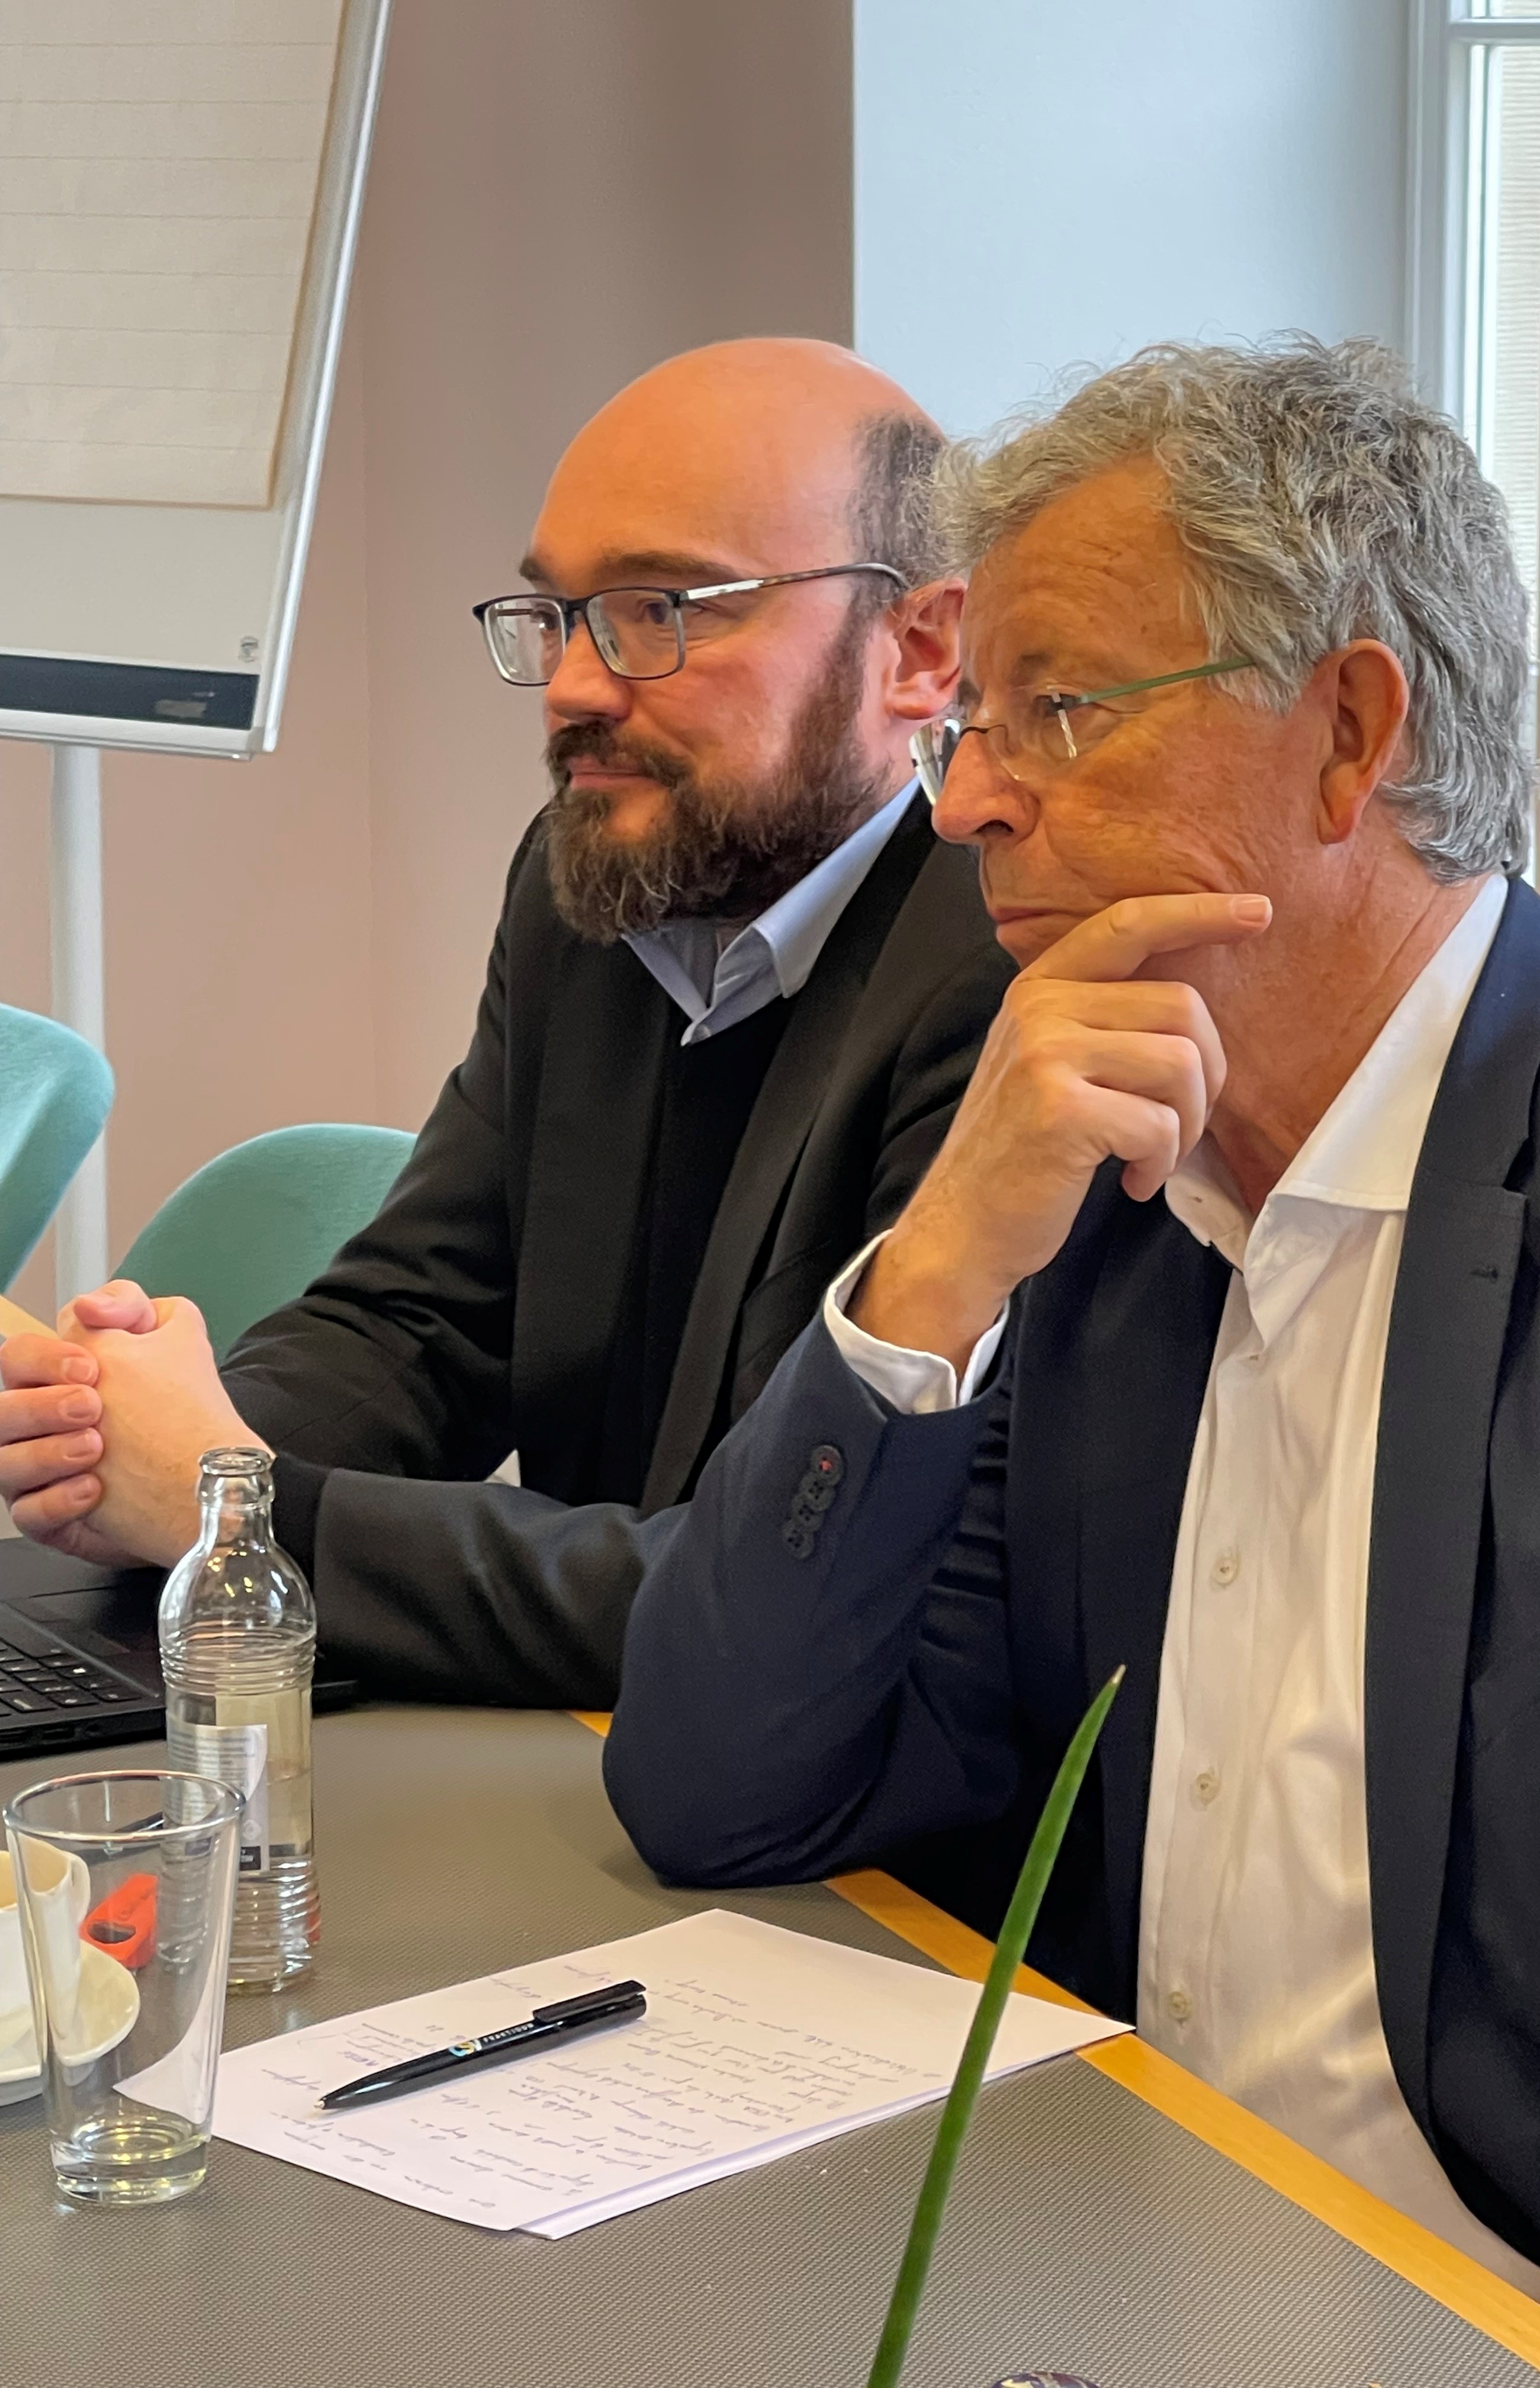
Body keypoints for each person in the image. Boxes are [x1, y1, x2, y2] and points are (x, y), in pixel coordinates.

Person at [601, 342, 1540, 2380]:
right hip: (1111, 2270)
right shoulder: (1103, 1208)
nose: (966, 798)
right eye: (971, 725)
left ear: (1348, 738)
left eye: (1057, 710)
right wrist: (936, 1269)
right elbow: (716, 1787)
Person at [0, 337, 1011, 1708]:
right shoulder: (589, 881)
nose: (577, 685)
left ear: (922, 649)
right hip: (577, 1736)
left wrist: (230, 1509)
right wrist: (133, 1443)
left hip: (797, 1789)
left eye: (660, 609)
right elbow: (424, 1322)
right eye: (560, 614)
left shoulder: (1006, 982)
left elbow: (773, 1586)